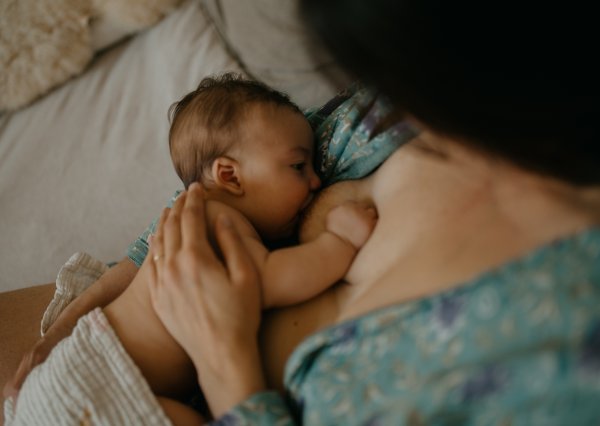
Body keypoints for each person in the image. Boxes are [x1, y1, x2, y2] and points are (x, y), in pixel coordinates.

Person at [4, 0, 600, 424]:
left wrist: (225, 361)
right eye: (300, 167)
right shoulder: (389, 112)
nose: (313, 176)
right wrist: (66, 326)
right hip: (86, 368)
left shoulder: (559, 347)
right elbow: (207, 254)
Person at [3, 74, 377, 424]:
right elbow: (268, 279)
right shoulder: (219, 221)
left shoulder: (187, 212)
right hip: (107, 378)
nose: (314, 180)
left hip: (68, 373)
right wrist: (338, 244)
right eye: (298, 165)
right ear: (229, 175)